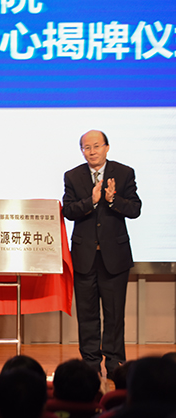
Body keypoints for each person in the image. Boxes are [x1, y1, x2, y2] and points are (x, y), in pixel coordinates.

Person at [63, 129, 141, 378]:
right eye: (87, 147)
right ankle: (90, 364)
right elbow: (68, 211)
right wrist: (92, 201)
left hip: (114, 258)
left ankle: (115, 363)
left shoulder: (124, 173)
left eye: (97, 146)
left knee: (114, 314)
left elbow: (135, 209)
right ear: (82, 151)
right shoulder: (73, 176)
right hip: (84, 257)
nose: (92, 151)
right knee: (87, 315)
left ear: (107, 147)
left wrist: (112, 199)